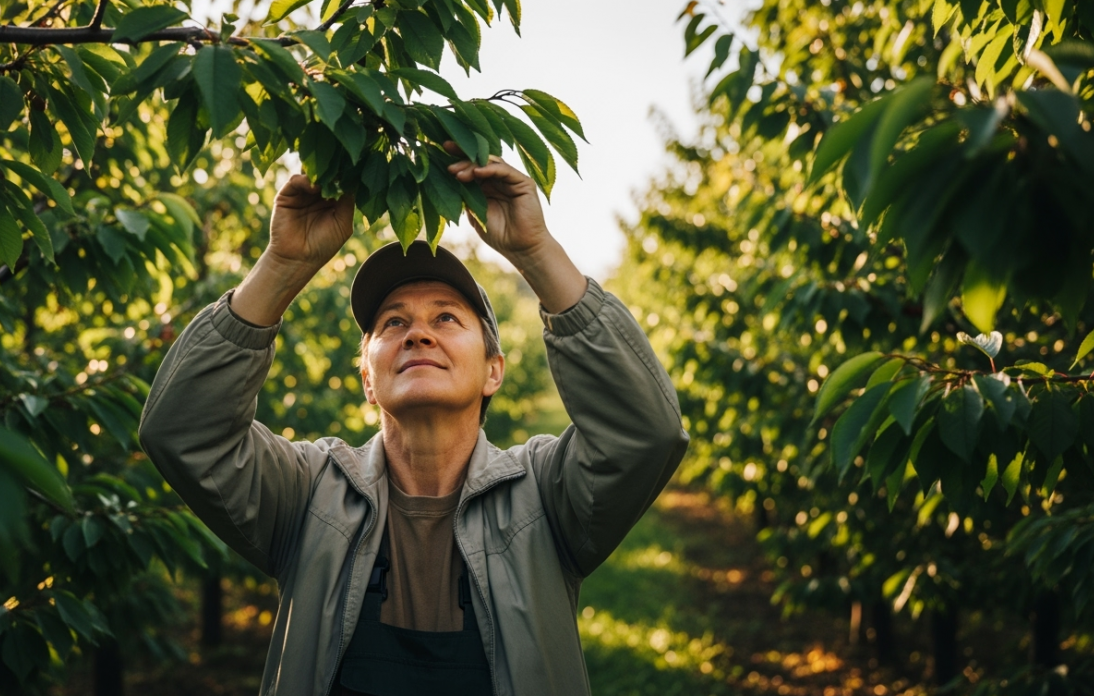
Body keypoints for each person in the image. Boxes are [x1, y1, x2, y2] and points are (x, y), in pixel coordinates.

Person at [138, 151, 689, 696]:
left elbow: (644, 434)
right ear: (368, 380)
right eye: (393, 322)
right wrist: (283, 264)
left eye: (446, 318)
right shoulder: (308, 493)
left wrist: (535, 250)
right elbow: (187, 431)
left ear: (492, 371)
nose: (418, 334)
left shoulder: (544, 496)